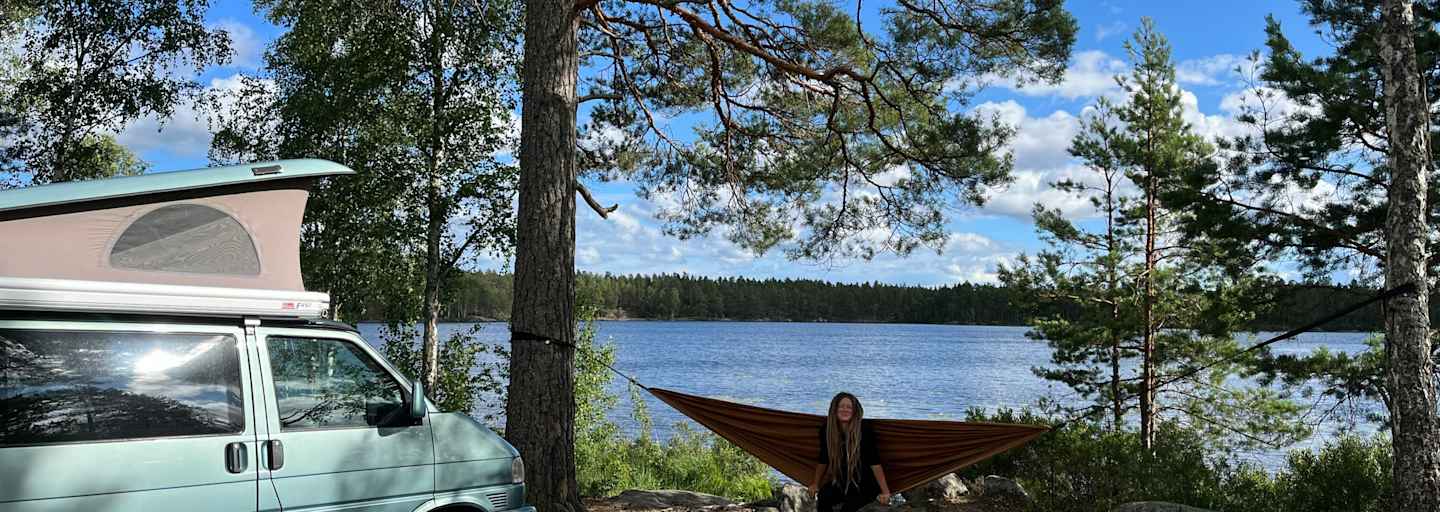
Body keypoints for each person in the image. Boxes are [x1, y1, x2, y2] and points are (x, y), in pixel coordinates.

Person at [808, 392, 891, 512]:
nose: (845, 410)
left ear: (855, 411)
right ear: (835, 409)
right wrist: (815, 483)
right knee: (824, 496)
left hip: (866, 485)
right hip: (842, 482)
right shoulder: (827, 430)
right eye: (841, 406)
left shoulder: (864, 430)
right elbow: (824, 458)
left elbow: (874, 462)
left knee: (848, 508)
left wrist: (885, 491)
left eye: (849, 407)